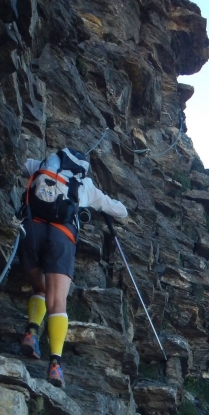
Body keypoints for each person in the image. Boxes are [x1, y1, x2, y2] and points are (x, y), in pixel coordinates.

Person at [19, 147, 127, 388]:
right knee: (57, 300)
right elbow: (120, 210)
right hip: (61, 236)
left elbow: (21, 161)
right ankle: (55, 364)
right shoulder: (84, 185)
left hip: (32, 230)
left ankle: (31, 332)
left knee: (40, 287)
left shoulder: (42, 167)